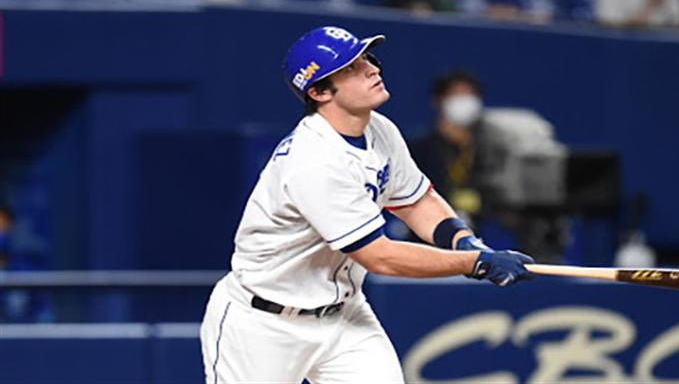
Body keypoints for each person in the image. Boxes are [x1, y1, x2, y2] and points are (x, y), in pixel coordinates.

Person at [198, 26, 535, 383]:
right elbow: (380, 257)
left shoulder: (379, 129)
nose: (372, 69)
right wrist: (475, 263)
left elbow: (417, 201)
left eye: (367, 59)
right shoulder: (314, 159)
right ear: (318, 91)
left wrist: (466, 242)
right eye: (351, 68)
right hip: (265, 323)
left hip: (344, 315)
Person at [409, 70, 485, 227]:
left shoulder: (488, 149)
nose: (464, 101)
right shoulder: (417, 148)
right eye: (457, 94)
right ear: (438, 100)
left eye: (470, 95)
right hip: (425, 237)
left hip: (479, 236)